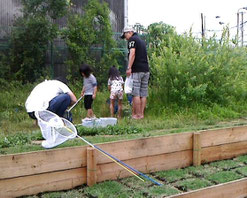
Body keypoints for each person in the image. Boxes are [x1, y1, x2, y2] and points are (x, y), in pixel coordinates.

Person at [121, 26, 150, 119]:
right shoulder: (141, 41)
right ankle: (141, 114)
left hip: (137, 70)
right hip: (146, 69)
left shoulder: (132, 40)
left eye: (125, 36)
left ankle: (137, 115)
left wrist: (129, 67)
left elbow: (132, 53)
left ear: (128, 33)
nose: (125, 39)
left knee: (136, 93)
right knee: (143, 93)